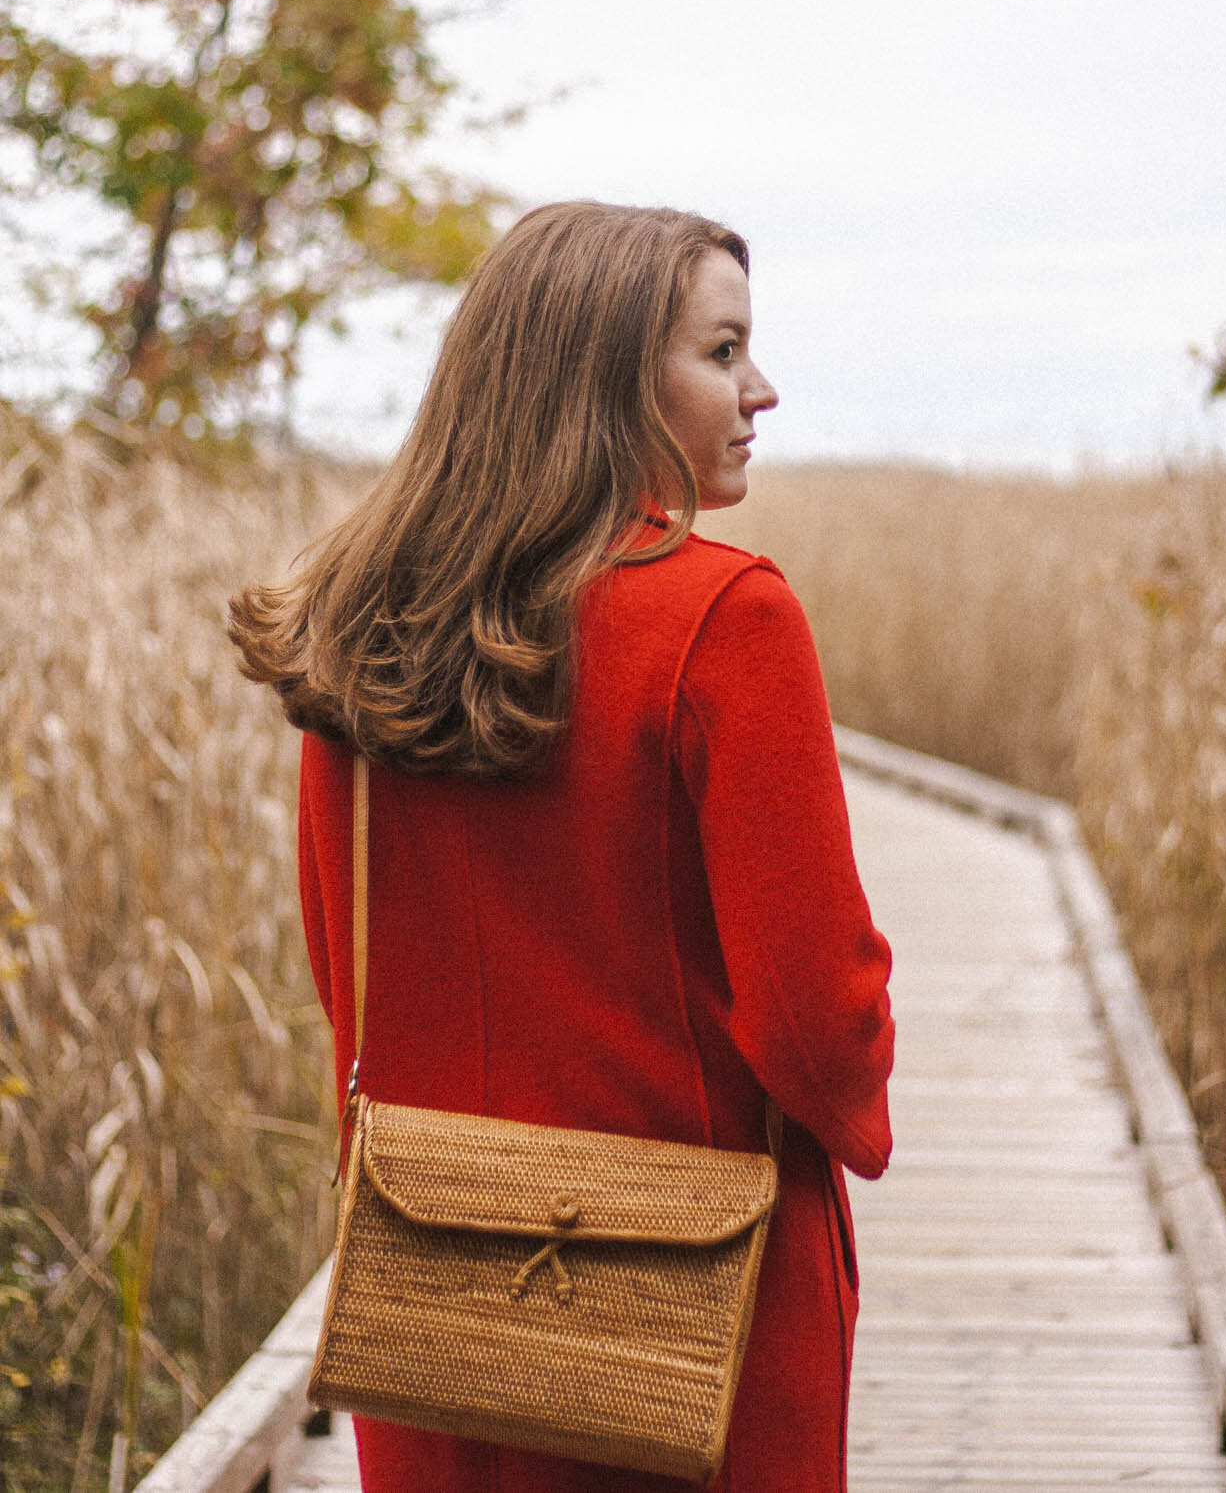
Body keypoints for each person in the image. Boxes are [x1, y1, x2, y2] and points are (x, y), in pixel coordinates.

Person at [229, 200, 895, 1493]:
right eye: (720, 352)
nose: (761, 389)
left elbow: (347, 978)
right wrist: (859, 1107)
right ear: (602, 379)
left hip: (433, 1280)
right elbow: (815, 1015)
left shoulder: (368, 631)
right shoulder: (726, 618)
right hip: (693, 1284)